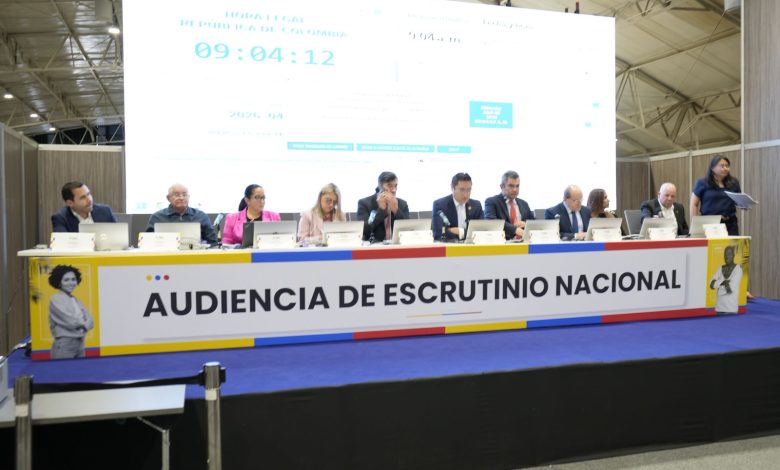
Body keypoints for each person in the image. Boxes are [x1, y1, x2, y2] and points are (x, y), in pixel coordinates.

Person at [145, 183, 218, 244]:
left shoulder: (201, 216)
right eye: (177, 195)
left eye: (184, 195)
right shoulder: (157, 217)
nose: (181, 198)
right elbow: (147, 243)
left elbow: (213, 242)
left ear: (189, 197)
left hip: (195, 255)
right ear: (168, 198)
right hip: (165, 255)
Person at [48, 264, 94, 359]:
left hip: (80, 343)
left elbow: (90, 319)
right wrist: (85, 325)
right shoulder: (56, 299)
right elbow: (69, 320)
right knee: (63, 368)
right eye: (66, 280)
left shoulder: (76, 300)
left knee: (80, 368)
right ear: (59, 282)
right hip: (65, 344)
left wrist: (84, 325)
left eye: (73, 279)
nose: (71, 283)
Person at [690, 155, 741, 236]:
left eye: (727, 166)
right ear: (712, 168)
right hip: (709, 223)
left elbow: (738, 201)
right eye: (722, 166)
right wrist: (696, 225)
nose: (725, 168)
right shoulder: (702, 183)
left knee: (732, 244)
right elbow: (694, 204)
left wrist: (744, 205)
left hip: (730, 223)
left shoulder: (734, 182)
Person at [357, 171, 410, 242]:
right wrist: (381, 210)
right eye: (389, 186)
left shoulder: (402, 204)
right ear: (380, 187)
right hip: (374, 245)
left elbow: (408, 230)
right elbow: (364, 231)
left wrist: (396, 210)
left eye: (395, 186)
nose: (394, 190)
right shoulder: (364, 203)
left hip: (397, 245)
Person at [431, 173, 485, 241]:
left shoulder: (476, 205)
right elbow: (439, 234)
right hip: (450, 246)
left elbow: (481, 233)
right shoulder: (440, 205)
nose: (465, 195)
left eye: (468, 190)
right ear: (452, 188)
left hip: (472, 245)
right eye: (462, 190)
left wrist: (460, 231)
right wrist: (468, 233)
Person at [484, 170, 534, 240]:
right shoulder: (491, 202)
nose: (515, 189)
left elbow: (533, 223)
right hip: (502, 243)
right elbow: (491, 222)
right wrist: (514, 229)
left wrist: (525, 224)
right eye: (511, 186)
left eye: (517, 186)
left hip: (524, 243)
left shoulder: (524, 204)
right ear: (502, 186)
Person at [51, 181, 117, 232]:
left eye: (88, 194)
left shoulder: (105, 211)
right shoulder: (61, 218)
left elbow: (117, 236)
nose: (89, 200)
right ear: (70, 203)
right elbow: (61, 242)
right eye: (83, 197)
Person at [710, 245, 743, 313]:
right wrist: (724, 283)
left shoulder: (738, 269)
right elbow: (711, 285)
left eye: (729, 254)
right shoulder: (720, 268)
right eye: (725, 255)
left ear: (733, 255)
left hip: (731, 310)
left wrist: (718, 285)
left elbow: (730, 289)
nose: (727, 256)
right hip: (719, 309)